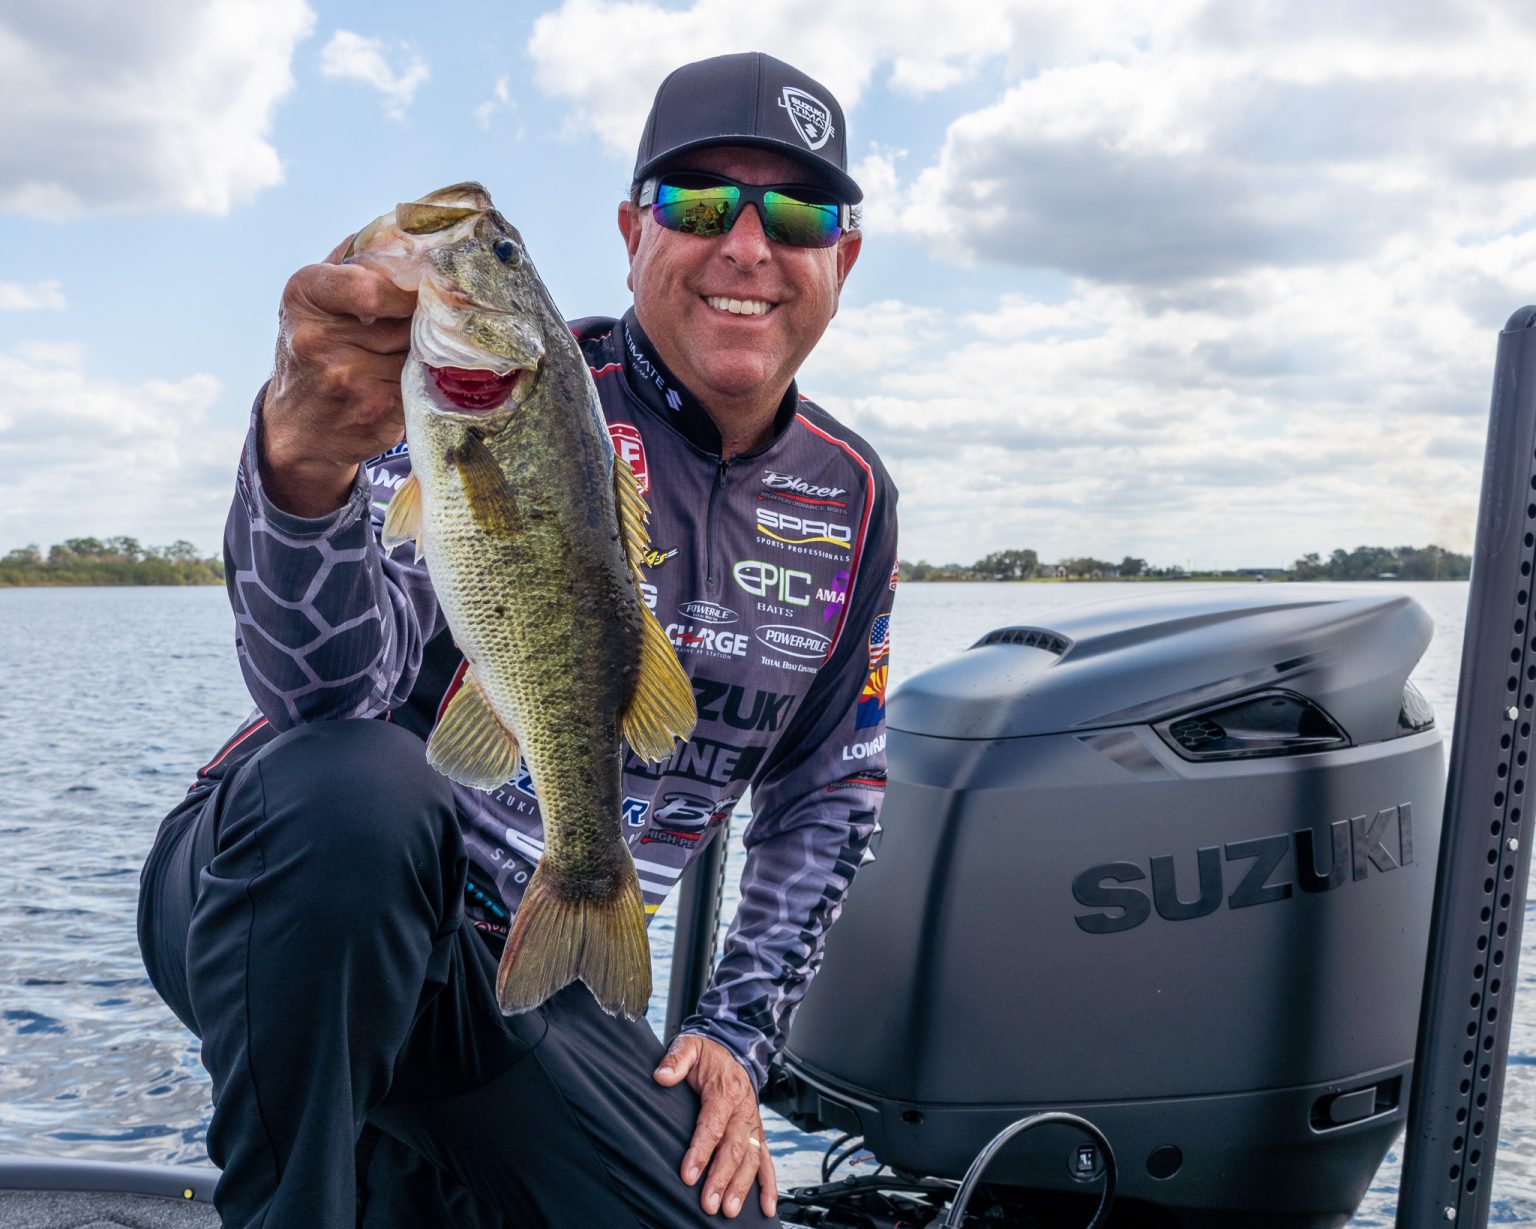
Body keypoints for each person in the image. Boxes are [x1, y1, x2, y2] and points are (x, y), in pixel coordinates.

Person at [137, 50, 897, 1229]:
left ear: (840, 257)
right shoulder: (495, 387)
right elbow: (324, 697)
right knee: (355, 789)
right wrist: (303, 465)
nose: (748, 246)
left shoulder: (852, 496)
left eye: (798, 214)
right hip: (286, 882)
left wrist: (735, 1033)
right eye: (699, 203)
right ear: (633, 234)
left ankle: (414, 1170)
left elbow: (827, 794)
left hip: (519, 968)